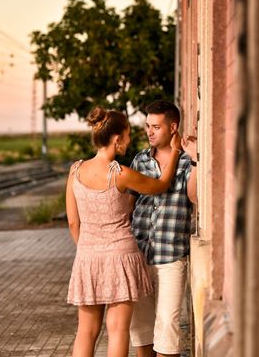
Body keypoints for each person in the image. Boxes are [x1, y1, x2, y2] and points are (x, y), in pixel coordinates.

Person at [65, 107, 183, 357]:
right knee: (118, 330)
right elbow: (161, 185)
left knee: (86, 331)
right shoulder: (121, 174)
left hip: (87, 258)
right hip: (121, 257)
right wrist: (174, 152)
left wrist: (88, 249)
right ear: (117, 138)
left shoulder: (75, 171)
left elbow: (74, 223)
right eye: (128, 135)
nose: (129, 141)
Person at [129, 101, 197, 357]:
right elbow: (129, 203)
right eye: (148, 126)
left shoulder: (185, 162)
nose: (150, 132)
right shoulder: (140, 160)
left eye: (156, 127)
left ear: (173, 127)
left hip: (171, 256)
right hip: (138, 252)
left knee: (167, 325)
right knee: (141, 328)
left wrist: (195, 160)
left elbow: (193, 196)